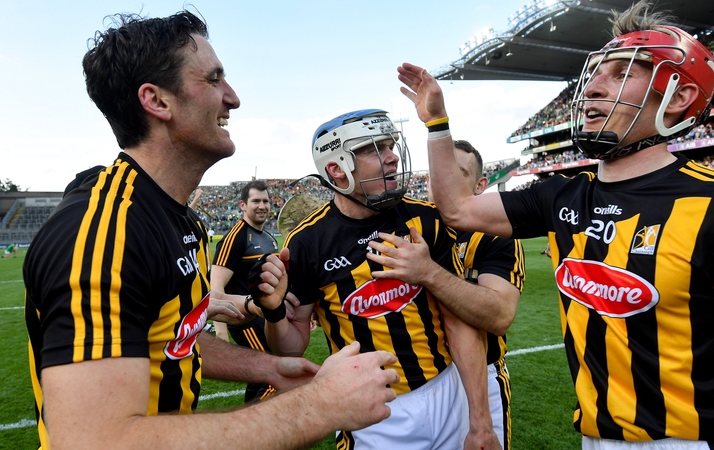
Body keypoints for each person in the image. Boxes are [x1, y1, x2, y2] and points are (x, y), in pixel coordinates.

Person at [398, 1, 714, 448]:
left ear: (678, 98)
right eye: (597, 72)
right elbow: (457, 209)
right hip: (597, 436)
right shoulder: (562, 195)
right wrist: (437, 124)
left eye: (622, 74)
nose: (595, 86)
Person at [22, 11, 398, 450]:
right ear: (157, 101)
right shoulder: (106, 231)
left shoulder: (179, 219)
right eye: (214, 79)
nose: (233, 98)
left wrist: (267, 368)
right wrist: (321, 406)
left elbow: (173, 338)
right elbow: (94, 441)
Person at [261, 109, 497, 449]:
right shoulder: (306, 242)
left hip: (447, 390)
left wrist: (481, 421)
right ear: (337, 169)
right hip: (371, 408)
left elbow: (458, 322)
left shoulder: (425, 218)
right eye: (374, 149)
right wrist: (273, 312)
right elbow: (291, 346)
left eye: (390, 146)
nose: (392, 157)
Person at [366, 139, 524, 449]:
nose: (444, 181)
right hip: (423, 381)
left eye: (457, 173)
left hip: (482, 372)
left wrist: (429, 272)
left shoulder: (495, 237)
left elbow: (499, 315)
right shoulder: (405, 228)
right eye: (438, 172)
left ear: (480, 185)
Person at [211, 179, 280, 402]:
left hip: (265, 317)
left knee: (261, 376)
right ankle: (258, 419)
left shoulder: (270, 238)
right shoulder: (236, 237)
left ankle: (253, 413)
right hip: (245, 321)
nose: (262, 206)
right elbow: (215, 287)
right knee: (273, 373)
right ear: (243, 205)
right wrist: (220, 333)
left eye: (266, 201)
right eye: (256, 201)